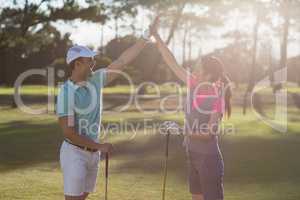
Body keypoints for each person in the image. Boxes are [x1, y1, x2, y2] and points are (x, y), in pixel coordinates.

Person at [56, 29, 152, 200]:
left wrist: (145, 38)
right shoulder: (66, 93)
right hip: (74, 153)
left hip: (93, 153)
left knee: (82, 197)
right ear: (77, 64)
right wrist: (100, 146)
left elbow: (122, 61)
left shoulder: (95, 80)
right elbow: (69, 132)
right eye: (89, 61)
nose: (93, 63)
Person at [150, 16, 232, 200]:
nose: (193, 70)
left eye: (198, 68)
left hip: (209, 160)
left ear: (208, 74)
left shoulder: (217, 98)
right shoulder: (193, 84)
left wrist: (180, 130)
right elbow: (171, 62)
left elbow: (209, 133)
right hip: (192, 155)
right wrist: (156, 36)